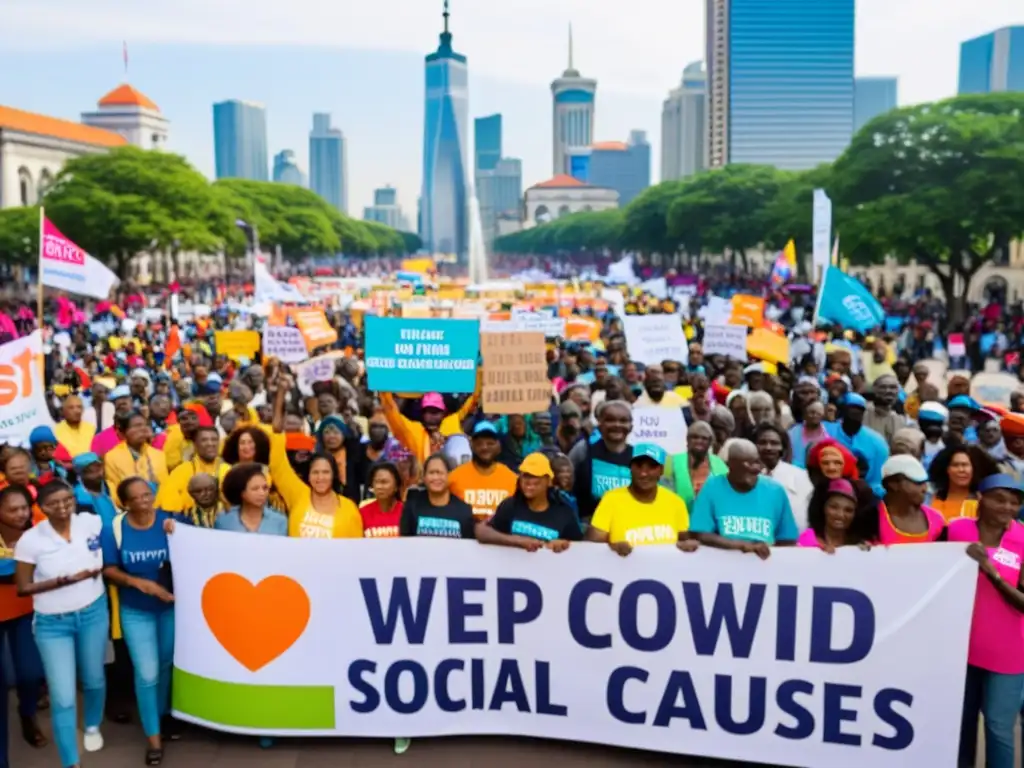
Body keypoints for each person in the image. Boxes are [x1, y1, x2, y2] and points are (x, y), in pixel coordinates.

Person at [14, 481, 108, 768]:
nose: (63, 507)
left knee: (94, 680)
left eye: (67, 500)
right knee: (64, 697)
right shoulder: (31, 539)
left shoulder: (90, 522)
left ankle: (92, 724)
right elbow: (22, 587)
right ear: (41, 508)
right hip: (53, 624)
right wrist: (64, 580)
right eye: (53, 503)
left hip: (93, 612)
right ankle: (71, 761)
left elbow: (120, 523)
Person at [101, 477, 177, 765]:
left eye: (149, 495)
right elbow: (109, 569)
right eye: (138, 498)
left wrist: (177, 530)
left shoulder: (170, 521)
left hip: (169, 609)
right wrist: (137, 583)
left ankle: (159, 716)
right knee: (146, 673)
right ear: (125, 503)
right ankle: (153, 738)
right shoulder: (116, 529)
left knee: (166, 664)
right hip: (136, 611)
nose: (146, 502)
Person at [950, 474, 1024, 768]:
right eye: (1000, 498)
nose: (1007, 507)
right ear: (980, 498)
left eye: (1014, 502)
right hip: (961, 648)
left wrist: (989, 570)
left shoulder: (1022, 539)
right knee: (960, 725)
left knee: (998, 728)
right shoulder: (956, 530)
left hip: (1007, 651)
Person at [0, 485, 47, 765]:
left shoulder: (37, 531)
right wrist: (21, 570)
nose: (21, 514)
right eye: (12, 509)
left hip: (26, 612)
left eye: (24, 508)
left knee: (30, 675)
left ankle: (27, 714)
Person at [690, 439, 799, 557]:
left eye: (756, 462)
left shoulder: (775, 491)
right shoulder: (712, 487)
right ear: (729, 464)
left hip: (763, 566)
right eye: (747, 463)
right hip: (722, 566)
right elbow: (700, 534)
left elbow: (787, 539)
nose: (755, 468)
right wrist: (742, 546)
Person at [586, 444, 692, 555]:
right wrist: (612, 547)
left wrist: (690, 544)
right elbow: (592, 546)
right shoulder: (611, 499)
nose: (644, 473)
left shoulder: (676, 503)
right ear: (630, 468)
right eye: (639, 466)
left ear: (661, 470)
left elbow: (685, 542)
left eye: (651, 467)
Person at [478, 453, 581, 551]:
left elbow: (581, 548)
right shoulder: (510, 506)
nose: (529, 481)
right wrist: (518, 541)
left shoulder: (564, 513)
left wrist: (564, 544)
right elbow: (482, 531)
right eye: (526, 475)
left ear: (549, 481)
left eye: (536, 475)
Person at [379, 376, 482, 463]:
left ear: (444, 413)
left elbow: (473, 400)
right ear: (422, 414)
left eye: (435, 412)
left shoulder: (452, 421)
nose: (430, 416)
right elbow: (391, 411)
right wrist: (382, 384)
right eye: (427, 412)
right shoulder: (415, 431)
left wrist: (479, 373)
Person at [569, 400, 634, 521]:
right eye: (610, 420)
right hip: (589, 527)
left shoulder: (639, 457)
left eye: (623, 421)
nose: (617, 425)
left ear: (631, 426)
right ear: (599, 425)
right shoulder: (582, 451)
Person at [446, 421, 519, 520]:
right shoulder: (453, 478)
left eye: (490, 443)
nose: (484, 447)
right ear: (471, 446)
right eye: (479, 443)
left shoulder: (513, 480)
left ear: (499, 447)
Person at [825, 393, 889, 497]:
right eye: (851, 409)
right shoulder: (826, 432)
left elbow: (878, 482)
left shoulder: (878, 443)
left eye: (859, 410)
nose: (854, 414)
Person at [399, 454, 475, 540]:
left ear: (449, 475)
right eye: (431, 473)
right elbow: (404, 543)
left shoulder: (464, 510)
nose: (435, 477)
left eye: (440, 473)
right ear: (424, 477)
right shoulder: (411, 507)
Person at [154, 426, 227, 513]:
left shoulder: (228, 470)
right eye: (204, 440)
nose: (210, 443)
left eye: (214, 439)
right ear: (195, 445)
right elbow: (168, 506)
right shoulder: (181, 472)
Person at [755, 423, 813, 532]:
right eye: (762, 443)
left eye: (774, 443)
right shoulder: (748, 477)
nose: (768, 447)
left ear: (783, 447)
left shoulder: (800, 476)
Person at [877, 455, 946, 544]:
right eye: (918, 483)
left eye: (925, 483)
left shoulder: (937, 519)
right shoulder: (872, 519)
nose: (924, 489)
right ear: (893, 484)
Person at [796, 478, 877, 551]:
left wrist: (866, 554)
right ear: (822, 507)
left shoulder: (861, 543)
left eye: (848, 510)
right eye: (834, 507)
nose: (840, 515)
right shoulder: (807, 539)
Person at [104, 411, 169, 496]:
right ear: (124, 432)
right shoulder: (112, 456)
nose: (143, 429)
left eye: (145, 425)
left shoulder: (158, 455)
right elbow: (114, 490)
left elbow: (165, 485)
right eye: (137, 426)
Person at [928, 445, 999, 521]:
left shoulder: (983, 503)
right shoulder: (930, 500)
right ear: (946, 469)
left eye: (965, 465)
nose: (961, 470)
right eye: (955, 465)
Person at [215, 463, 288, 535]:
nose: (262, 493)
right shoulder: (224, 521)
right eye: (255, 489)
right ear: (242, 492)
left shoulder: (280, 521)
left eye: (265, 488)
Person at [668, 422, 727, 510]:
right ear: (687, 440)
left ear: (710, 442)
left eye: (704, 438)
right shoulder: (673, 462)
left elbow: (726, 495)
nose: (699, 441)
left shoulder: (719, 464)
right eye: (695, 437)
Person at [359, 462, 404, 538]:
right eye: (376, 482)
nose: (379, 486)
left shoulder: (406, 512)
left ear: (396, 486)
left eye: (384, 482)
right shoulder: (363, 513)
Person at [863, 374, 905, 445]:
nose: (888, 391)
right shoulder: (863, 412)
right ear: (874, 390)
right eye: (883, 387)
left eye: (893, 387)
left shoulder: (900, 419)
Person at [54, 394, 97, 459]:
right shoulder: (55, 431)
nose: (76, 411)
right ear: (63, 411)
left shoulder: (92, 429)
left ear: (82, 410)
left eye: (79, 407)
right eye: (71, 407)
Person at [788, 400, 827, 469]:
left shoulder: (829, 431)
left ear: (823, 414)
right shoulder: (792, 432)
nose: (815, 415)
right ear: (804, 414)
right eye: (811, 412)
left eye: (818, 413)